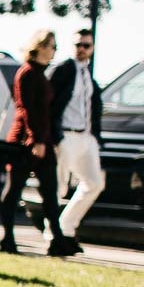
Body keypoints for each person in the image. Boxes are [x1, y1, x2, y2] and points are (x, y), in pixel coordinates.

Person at [1, 30, 76, 256]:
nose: (54, 51)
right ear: (40, 47)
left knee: (50, 191)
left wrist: (45, 139)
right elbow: (26, 109)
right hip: (26, 141)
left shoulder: (42, 75)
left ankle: (58, 239)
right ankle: (8, 239)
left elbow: (45, 111)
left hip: (43, 139)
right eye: (52, 46)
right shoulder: (27, 73)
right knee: (14, 190)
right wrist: (36, 140)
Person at [47, 28, 103, 255]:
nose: (81, 50)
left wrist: (95, 137)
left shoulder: (88, 74)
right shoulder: (62, 70)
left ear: (92, 48)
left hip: (86, 136)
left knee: (94, 183)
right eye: (78, 45)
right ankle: (54, 237)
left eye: (86, 46)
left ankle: (66, 228)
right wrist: (55, 136)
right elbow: (50, 104)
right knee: (59, 186)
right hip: (66, 135)